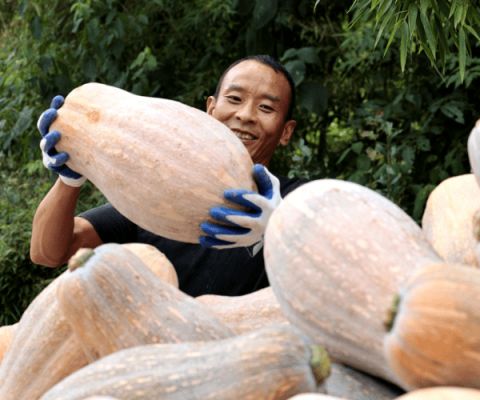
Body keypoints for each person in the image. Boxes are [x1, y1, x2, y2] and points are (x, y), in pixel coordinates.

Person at [30, 55, 306, 297]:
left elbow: (328, 276)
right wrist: (70, 178)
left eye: (266, 108)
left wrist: (279, 226)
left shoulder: (300, 202)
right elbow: (47, 253)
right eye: (234, 99)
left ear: (286, 131)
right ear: (210, 110)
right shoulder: (153, 193)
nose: (245, 115)